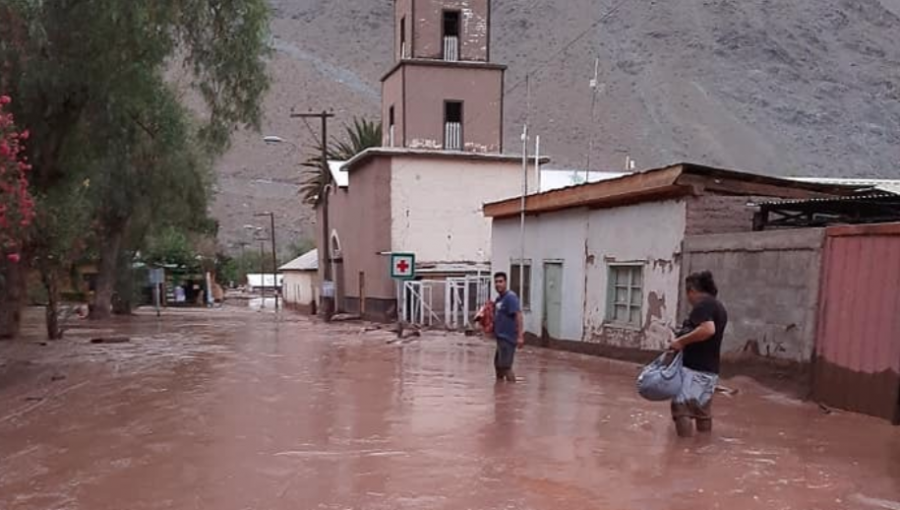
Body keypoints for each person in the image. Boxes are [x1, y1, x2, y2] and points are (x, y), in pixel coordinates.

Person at [669, 271, 728, 437]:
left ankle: (682, 452)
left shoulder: (702, 306)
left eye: (688, 293)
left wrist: (680, 342)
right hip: (710, 371)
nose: (688, 299)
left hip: (694, 370)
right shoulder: (719, 307)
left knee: (681, 408)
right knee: (702, 412)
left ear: (693, 291)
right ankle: (700, 448)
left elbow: (708, 330)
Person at [492, 272, 524, 382]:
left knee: (506, 367)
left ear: (506, 282)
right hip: (500, 338)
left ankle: (512, 391)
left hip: (508, 338)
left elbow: (518, 315)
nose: (498, 284)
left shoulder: (511, 297)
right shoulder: (498, 299)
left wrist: (520, 336)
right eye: (496, 282)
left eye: (500, 281)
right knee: (498, 366)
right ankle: (501, 393)